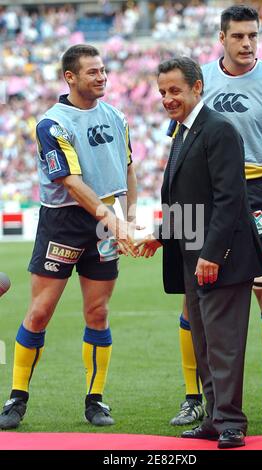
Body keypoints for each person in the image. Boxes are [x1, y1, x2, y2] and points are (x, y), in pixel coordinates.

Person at [172, 4, 262, 427]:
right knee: (194, 301)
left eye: (253, 36)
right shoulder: (198, 80)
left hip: (258, 191)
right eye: (238, 36)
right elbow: (181, 140)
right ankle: (194, 397)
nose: (247, 44)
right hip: (202, 193)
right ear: (221, 38)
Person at [0, 44, 138, 430]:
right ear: (70, 78)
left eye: (104, 70)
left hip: (105, 222)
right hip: (64, 221)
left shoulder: (117, 116)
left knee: (98, 313)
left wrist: (128, 216)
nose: (103, 77)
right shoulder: (51, 124)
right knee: (40, 312)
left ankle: (95, 400)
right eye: (93, 71)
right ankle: (17, 398)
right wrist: (113, 220)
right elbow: (71, 183)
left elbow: (128, 168)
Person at [138, 56, 262, 449]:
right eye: (162, 92)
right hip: (193, 255)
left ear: (198, 87)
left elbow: (230, 199)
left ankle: (231, 422)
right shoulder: (182, 132)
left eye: (175, 90)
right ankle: (215, 417)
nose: (167, 98)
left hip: (220, 258)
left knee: (224, 343)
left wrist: (213, 253)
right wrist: (162, 235)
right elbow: (188, 198)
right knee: (205, 342)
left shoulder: (220, 129)